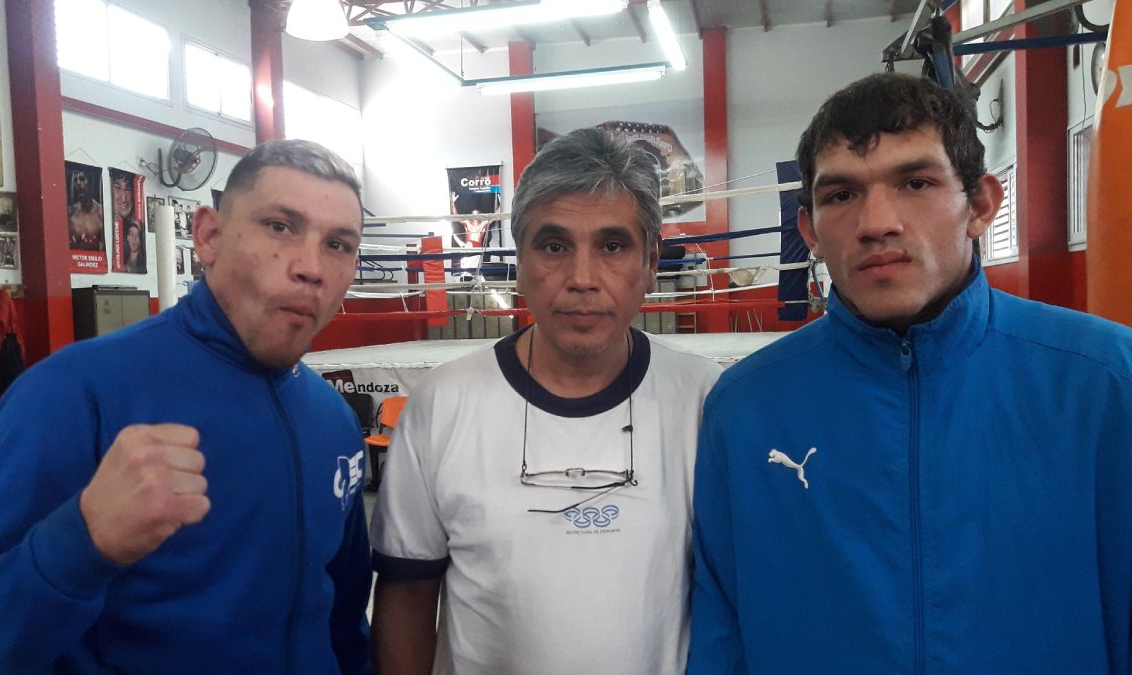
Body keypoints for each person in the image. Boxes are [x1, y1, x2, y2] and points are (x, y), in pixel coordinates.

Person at [688, 72, 1132, 674]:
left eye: (916, 182)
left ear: (979, 205)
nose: (877, 222)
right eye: (841, 195)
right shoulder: (745, 408)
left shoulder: (1103, 380)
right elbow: (722, 632)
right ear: (810, 230)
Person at [0, 139, 372, 673]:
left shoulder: (334, 421)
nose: (311, 267)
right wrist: (80, 541)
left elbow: (344, 621)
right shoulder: (73, 394)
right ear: (208, 236)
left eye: (339, 244)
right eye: (280, 227)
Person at [370, 127, 724, 675]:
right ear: (521, 260)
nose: (582, 279)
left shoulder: (706, 402)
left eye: (612, 246)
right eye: (555, 246)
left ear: (651, 262)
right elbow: (408, 596)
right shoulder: (444, 405)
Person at [67, 169, 104, 251]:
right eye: (75, 180)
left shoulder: (101, 213)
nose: (78, 183)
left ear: (90, 183)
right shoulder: (69, 213)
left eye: (82, 179)